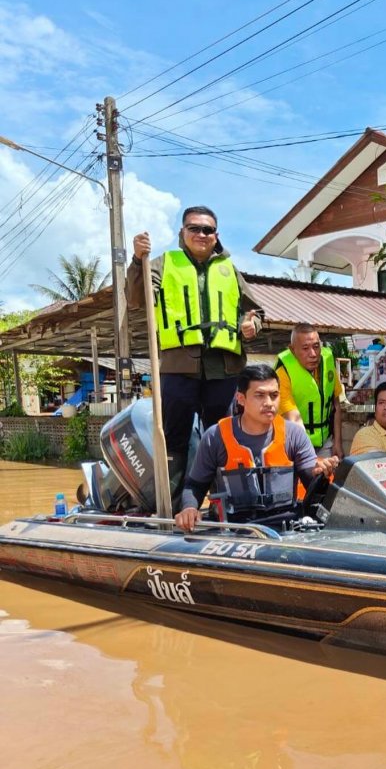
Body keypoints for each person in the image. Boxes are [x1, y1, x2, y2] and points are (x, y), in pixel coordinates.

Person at [126, 206, 262, 486]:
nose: (201, 234)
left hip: (223, 371)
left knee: (223, 437)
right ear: (182, 232)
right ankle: (175, 505)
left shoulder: (230, 270)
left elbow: (255, 312)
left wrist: (252, 324)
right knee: (174, 439)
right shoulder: (162, 263)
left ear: (216, 235)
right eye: (194, 228)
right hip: (178, 368)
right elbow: (137, 298)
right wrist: (138, 260)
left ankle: (222, 504)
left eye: (208, 230)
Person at [174, 363, 337, 532]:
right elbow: (194, 486)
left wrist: (320, 474)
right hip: (234, 531)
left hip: (286, 531)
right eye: (260, 395)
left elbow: (311, 477)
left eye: (274, 395)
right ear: (241, 398)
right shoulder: (215, 437)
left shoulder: (294, 434)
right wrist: (189, 508)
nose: (269, 403)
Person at [275, 324, 344, 458]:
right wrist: (313, 459)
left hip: (326, 443)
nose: (313, 354)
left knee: (329, 477)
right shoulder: (282, 374)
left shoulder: (327, 362)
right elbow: (293, 419)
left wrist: (337, 442)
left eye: (316, 346)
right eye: (305, 348)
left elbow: (335, 405)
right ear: (293, 350)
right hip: (293, 444)